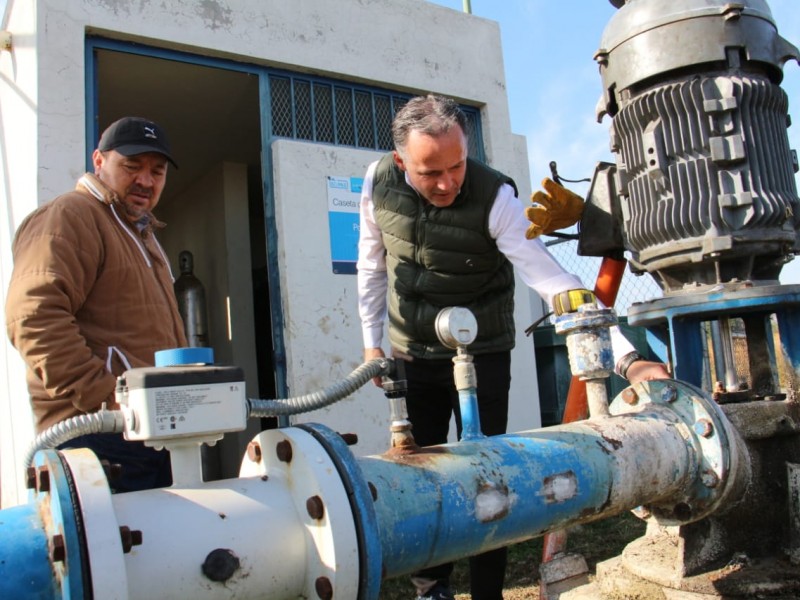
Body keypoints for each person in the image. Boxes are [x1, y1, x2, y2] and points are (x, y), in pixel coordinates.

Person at [356, 95, 669, 600]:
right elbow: (371, 268)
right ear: (400, 163)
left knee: (488, 478)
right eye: (429, 172)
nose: (447, 183)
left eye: (456, 166)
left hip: (481, 353)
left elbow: (554, 281)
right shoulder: (378, 185)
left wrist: (627, 359)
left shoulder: (495, 196)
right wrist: (373, 345)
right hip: (412, 351)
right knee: (419, 468)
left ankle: (487, 593)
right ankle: (431, 589)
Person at [6, 116, 187, 493]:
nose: (146, 180)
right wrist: (106, 397)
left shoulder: (141, 233)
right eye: (132, 166)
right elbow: (33, 316)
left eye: (158, 171)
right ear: (99, 162)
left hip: (142, 432)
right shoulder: (72, 214)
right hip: (94, 437)